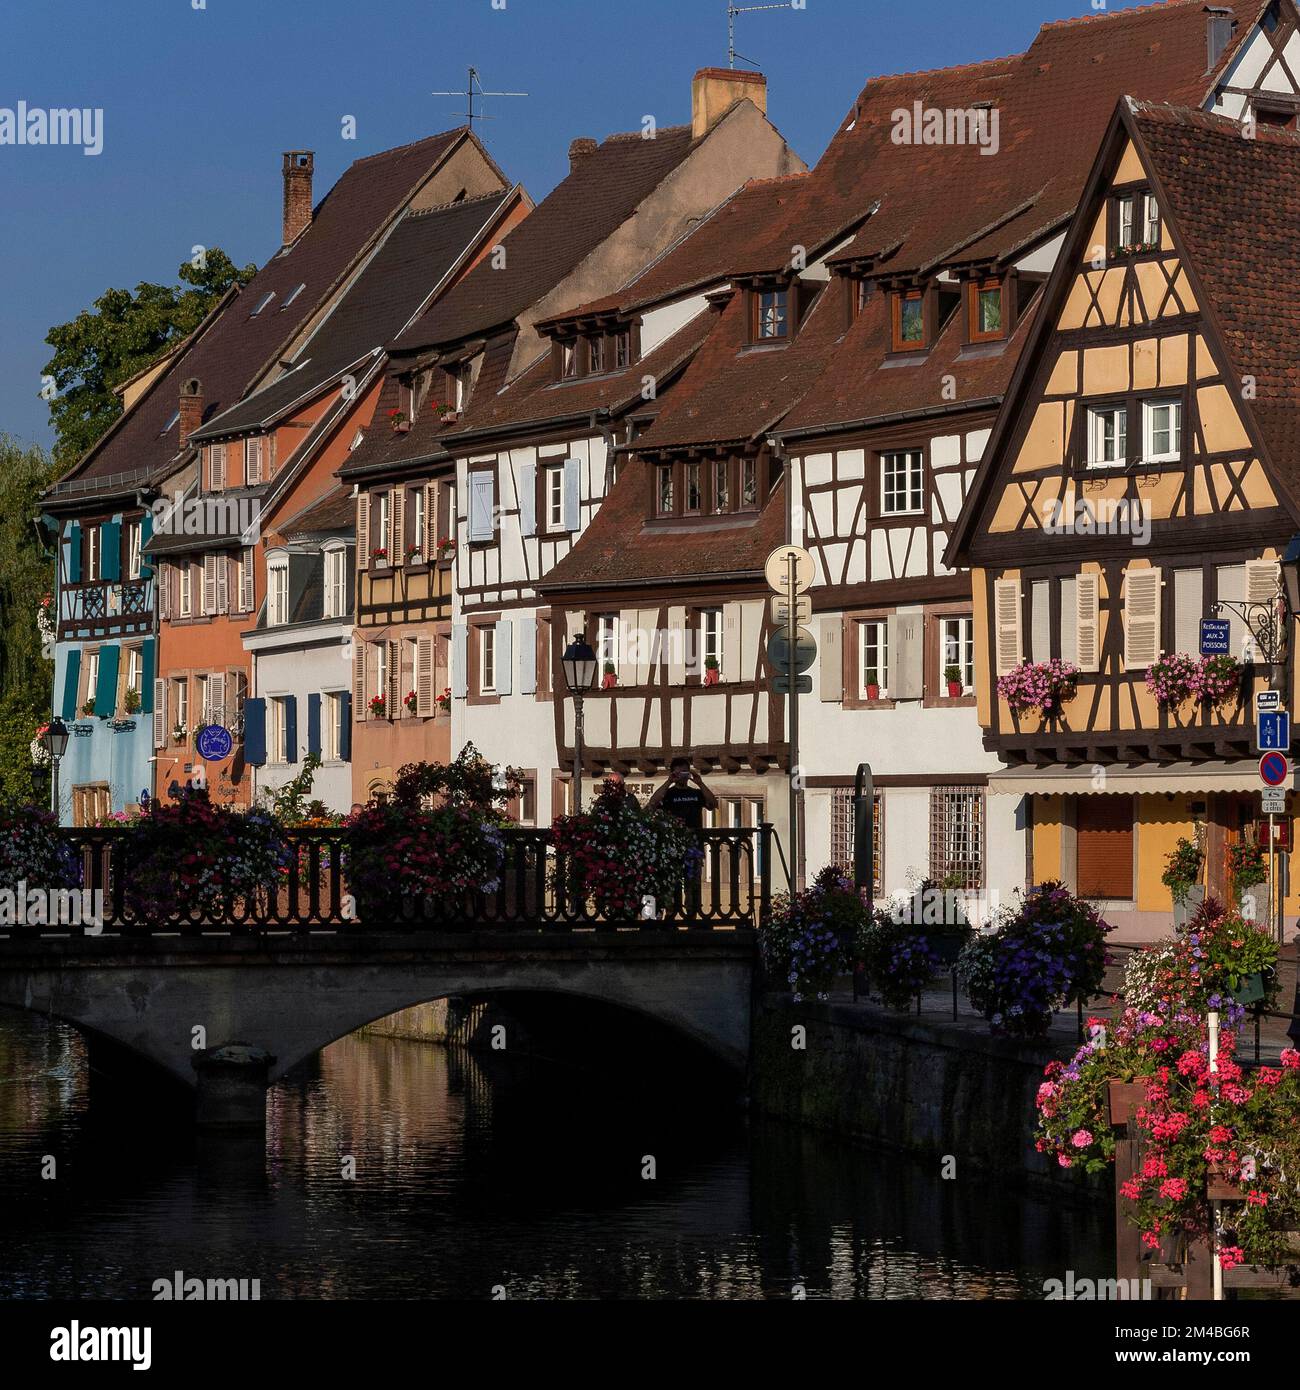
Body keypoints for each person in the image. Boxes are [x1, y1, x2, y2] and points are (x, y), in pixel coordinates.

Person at [648, 757, 717, 828]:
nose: (682, 776)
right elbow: (652, 803)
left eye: (684, 772)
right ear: (673, 773)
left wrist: (700, 784)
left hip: (696, 836)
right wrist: (669, 781)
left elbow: (713, 804)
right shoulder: (667, 794)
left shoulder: (696, 793)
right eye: (678, 773)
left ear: (689, 773)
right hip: (676, 835)